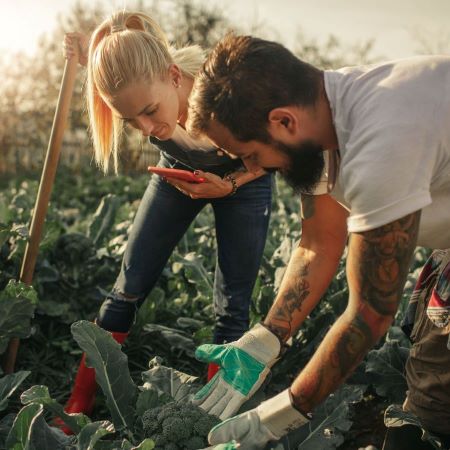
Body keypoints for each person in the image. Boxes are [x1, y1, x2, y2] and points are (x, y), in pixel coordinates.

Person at [183, 33, 450, 448]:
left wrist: (280, 414)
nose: (253, 168)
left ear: (284, 121)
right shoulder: (325, 117)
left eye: (250, 154)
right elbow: (320, 243)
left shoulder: (381, 140)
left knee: (431, 420)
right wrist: (266, 338)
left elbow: (370, 312)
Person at [60, 14, 273, 432]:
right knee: (127, 288)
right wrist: (89, 54)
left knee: (233, 305)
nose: (146, 128)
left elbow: (274, 153)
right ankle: (77, 404)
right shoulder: (142, 82)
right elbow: (125, 70)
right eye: (130, 121)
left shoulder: (232, 95)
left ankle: (213, 419)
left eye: (150, 112)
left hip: (244, 181)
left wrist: (229, 184)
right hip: (177, 171)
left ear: (175, 77)